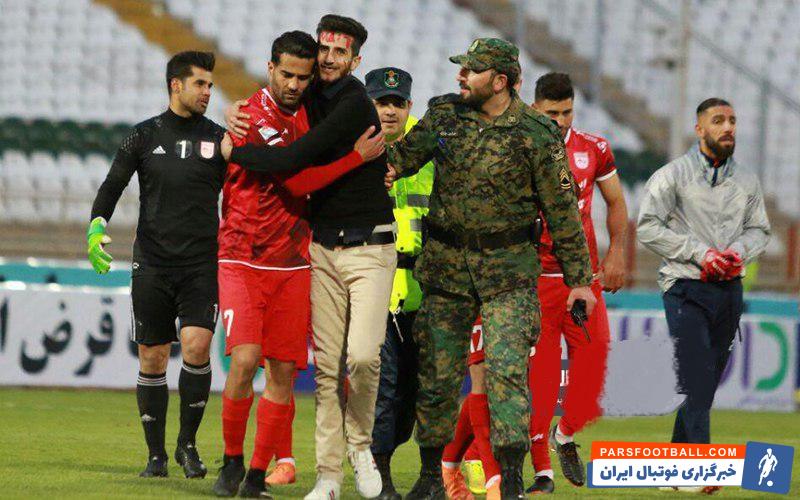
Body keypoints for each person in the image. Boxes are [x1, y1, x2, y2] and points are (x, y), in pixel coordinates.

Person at [385, 38, 595, 499]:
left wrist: (580, 282)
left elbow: (563, 212)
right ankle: (430, 477)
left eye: (471, 70)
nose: (460, 76)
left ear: (499, 81)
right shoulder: (444, 115)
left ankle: (511, 479)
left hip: (509, 275)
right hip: (446, 270)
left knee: (506, 377)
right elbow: (398, 162)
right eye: (462, 68)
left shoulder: (538, 133)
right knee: (437, 378)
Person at [222, 15, 395, 500]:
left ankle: (360, 446)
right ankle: (326, 476)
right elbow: (275, 103)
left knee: (362, 358)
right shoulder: (305, 92)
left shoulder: (353, 102)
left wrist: (233, 151)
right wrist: (232, 117)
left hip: (367, 246)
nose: (328, 59)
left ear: (356, 60)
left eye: (341, 52)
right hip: (315, 247)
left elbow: (292, 168)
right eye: (325, 49)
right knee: (322, 370)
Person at [87, 51, 224, 478]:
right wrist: (96, 226)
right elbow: (113, 184)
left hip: (202, 264)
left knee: (197, 346)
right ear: (175, 85)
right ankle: (156, 456)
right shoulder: (143, 136)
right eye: (200, 83)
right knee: (153, 357)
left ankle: (188, 445)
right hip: (151, 263)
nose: (207, 92)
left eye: (210, 85)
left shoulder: (220, 139)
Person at [637, 98, 769, 458]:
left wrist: (737, 252)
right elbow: (647, 227)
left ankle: (676, 465)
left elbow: (760, 230)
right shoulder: (672, 175)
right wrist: (701, 254)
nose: (728, 127)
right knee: (698, 376)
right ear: (699, 129)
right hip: (684, 287)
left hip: (728, 291)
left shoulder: (747, 181)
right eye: (718, 120)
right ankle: (701, 466)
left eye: (732, 120)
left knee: (705, 384)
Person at [525, 72, 629, 493]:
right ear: (534, 109)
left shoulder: (594, 149)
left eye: (567, 112)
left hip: (582, 281)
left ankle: (564, 434)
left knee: (593, 375)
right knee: (543, 383)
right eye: (552, 113)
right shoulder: (520, 148)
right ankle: (541, 471)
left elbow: (616, 201)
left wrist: (616, 251)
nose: (560, 121)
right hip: (535, 281)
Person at [363, 66, 433, 500]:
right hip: (375, 285)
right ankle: (381, 475)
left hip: (426, 288)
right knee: (384, 387)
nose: (389, 111)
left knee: (417, 392)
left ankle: (428, 474)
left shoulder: (431, 149)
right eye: (381, 102)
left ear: (409, 106)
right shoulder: (354, 146)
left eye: (397, 103)